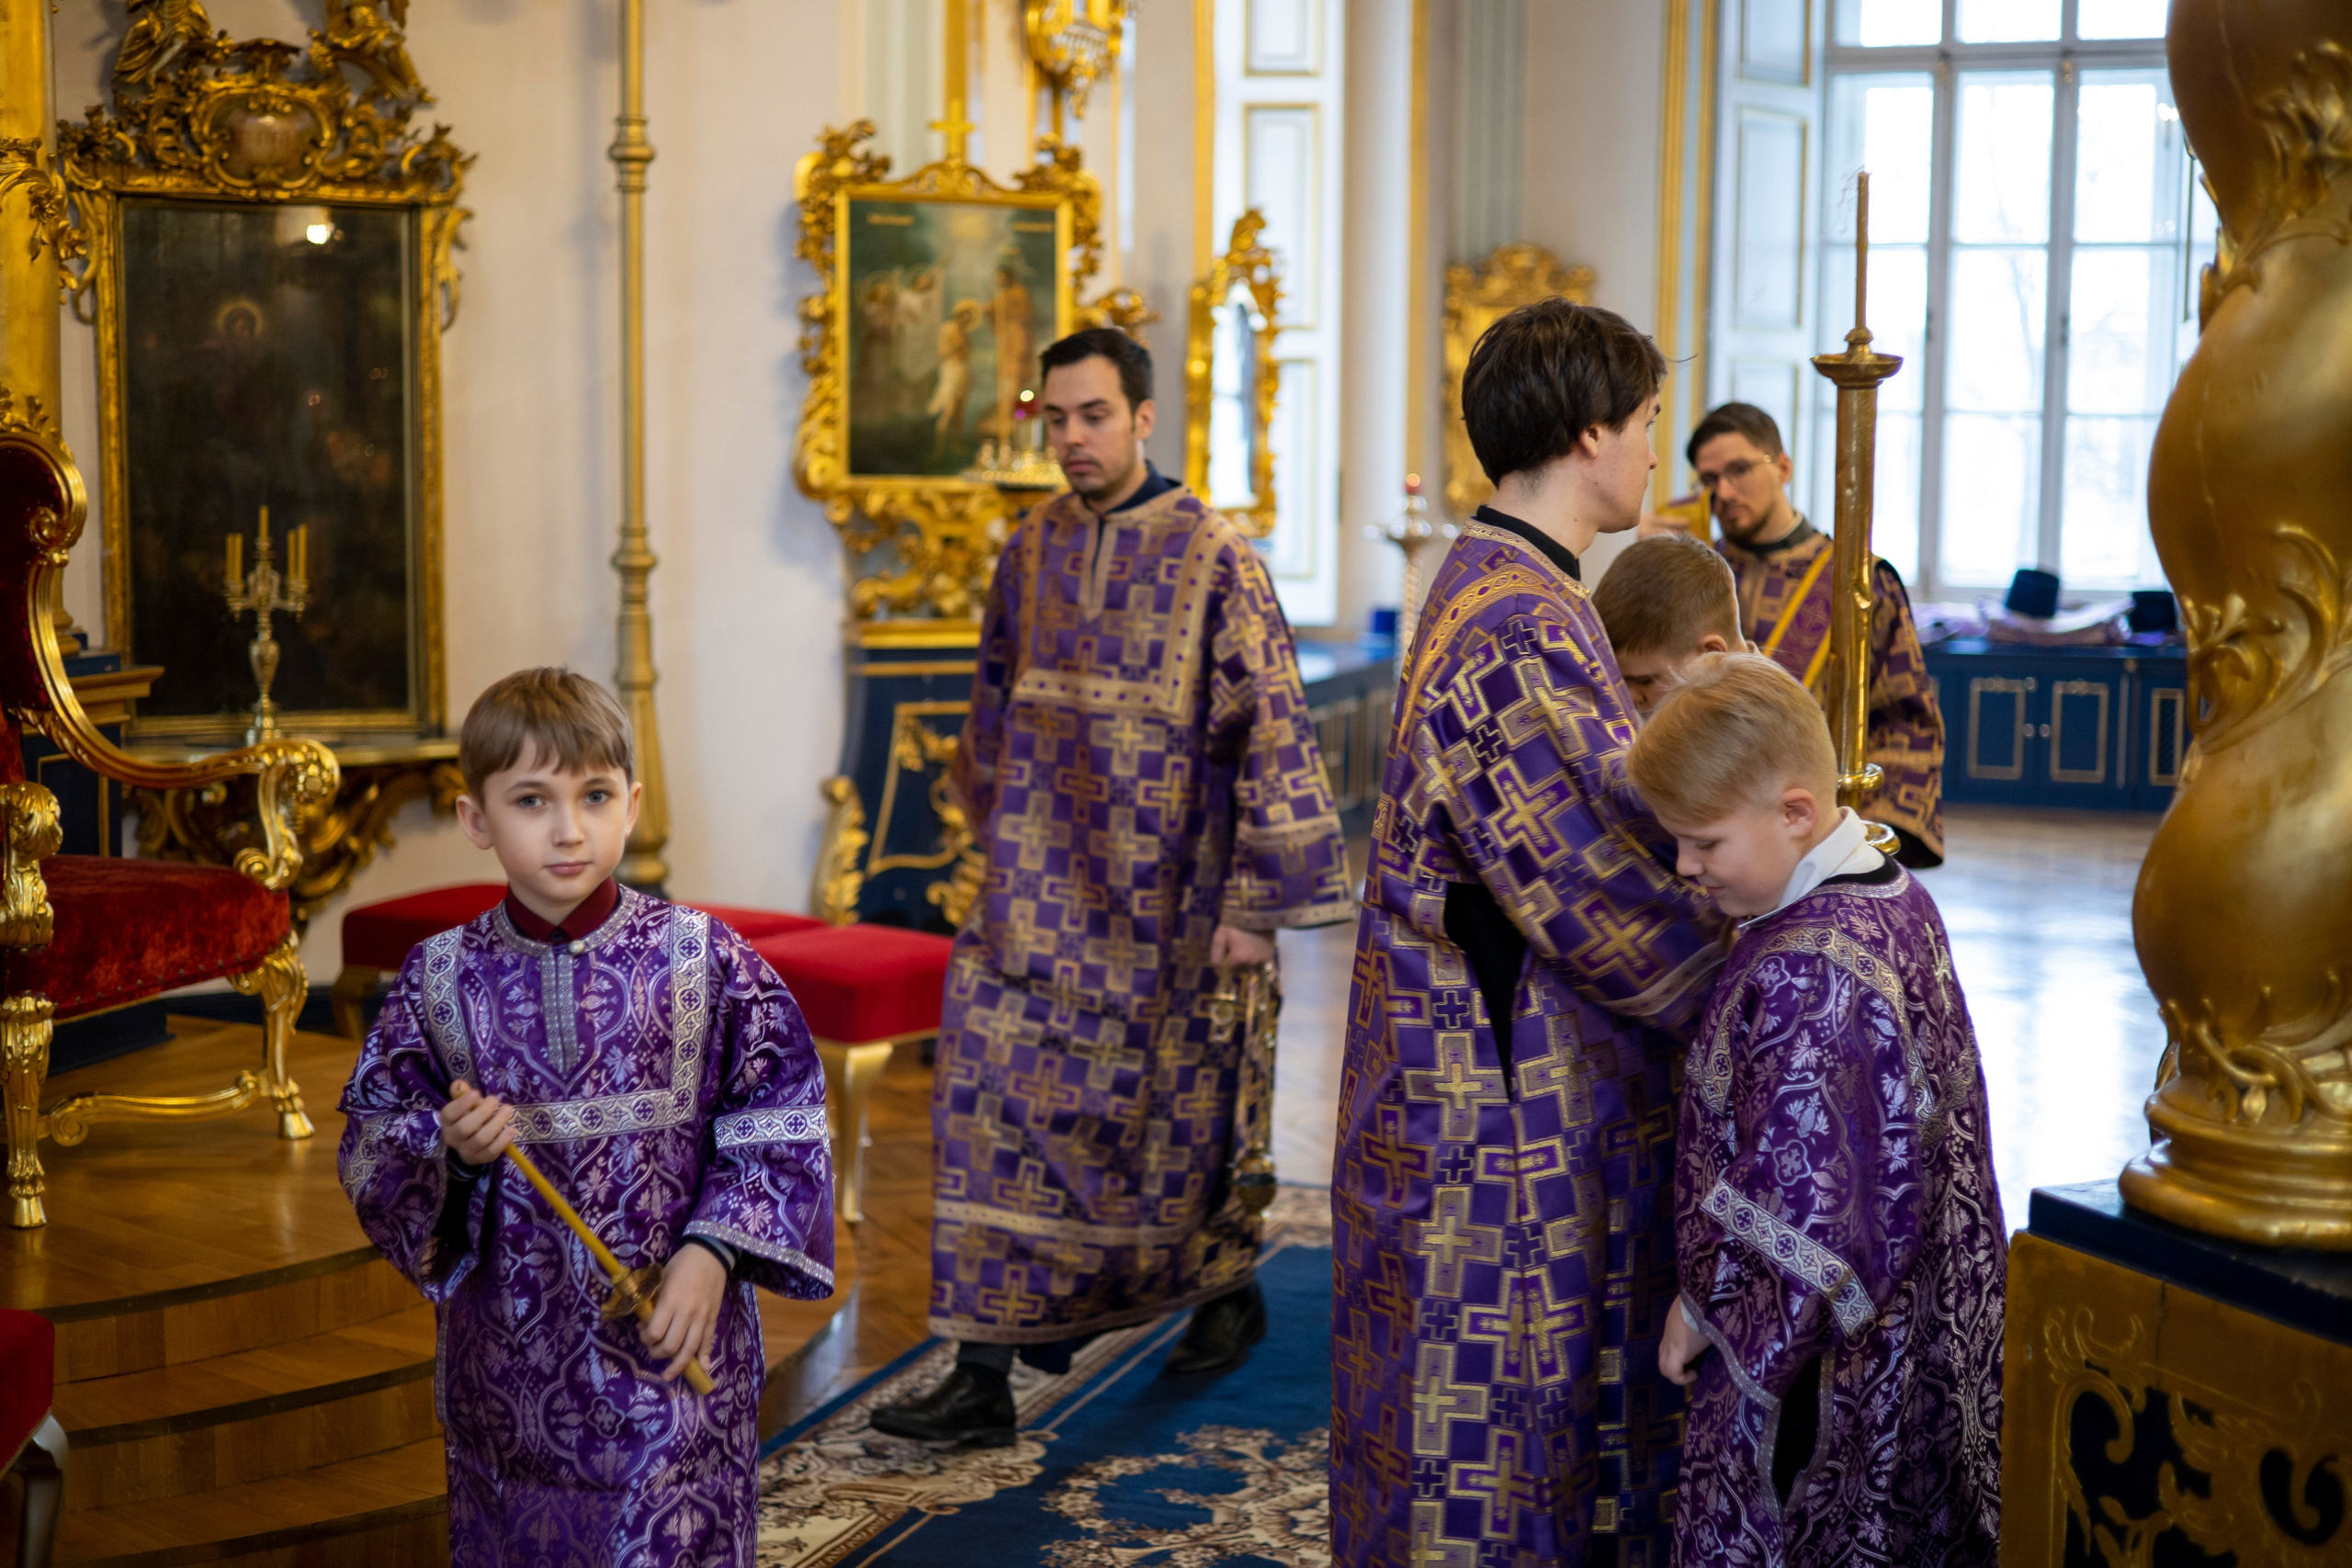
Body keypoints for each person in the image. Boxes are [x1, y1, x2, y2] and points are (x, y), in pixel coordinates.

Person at [869, 327, 1352, 1445]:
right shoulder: (1027, 547)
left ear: (1143, 417)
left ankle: (1220, 1293)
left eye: (1093, 416)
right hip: (1032, 897)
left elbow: (1272, 727)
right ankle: (981, 1375)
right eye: (1055, 418)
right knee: (987, 1103)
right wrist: (993, 843)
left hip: (1168, 908)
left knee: (1167, 1130)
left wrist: (1249, 904)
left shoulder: (1214, 555)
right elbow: (990, 704)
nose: (1073, 438)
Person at [1329, 299, 1728, 1566]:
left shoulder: (1502, 577)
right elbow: (1601, 882)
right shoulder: (1522, 618)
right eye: (1651, 425)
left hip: (1471, 1053)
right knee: (1486, 1401)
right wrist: (1762, 946)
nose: (1656, 452)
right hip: (1485, 1092)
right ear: (1592, 428)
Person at [337, 669, 834, 1565]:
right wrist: (452, 1157)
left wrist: (714, 1251)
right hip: (509, 1378)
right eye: (531, 800)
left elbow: (779, 1115)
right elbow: (376, 1142)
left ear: (631, 804)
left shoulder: (706, 959)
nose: (568, 829)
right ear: (476, 821)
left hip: (676, 1351)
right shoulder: (437, 980)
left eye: (593, 795)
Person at [1628, 653, 2004, 1567]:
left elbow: (1811, 1222)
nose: (1685, 867)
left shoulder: (1813, 971)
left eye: (1704, 843)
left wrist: (1705, 1309)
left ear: (1795, 813)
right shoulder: (1887, 887)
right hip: (1916, 1332)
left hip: (1828, 1378)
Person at [1690, 402, 1946, 866]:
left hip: (1829, 835)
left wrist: (1868, 839)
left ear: (1783, 466)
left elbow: (1907, 721)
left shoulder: (1858, 580)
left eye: (1739, 470)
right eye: (1709, 480)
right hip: (1714, 837)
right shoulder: (1696, 578)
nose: (1723, 491)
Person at [1591, 529, 1747, 717]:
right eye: (1619, 680)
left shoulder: (1775, 736)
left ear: (1711, 656)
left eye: (1644, 681)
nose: (1627, 697)